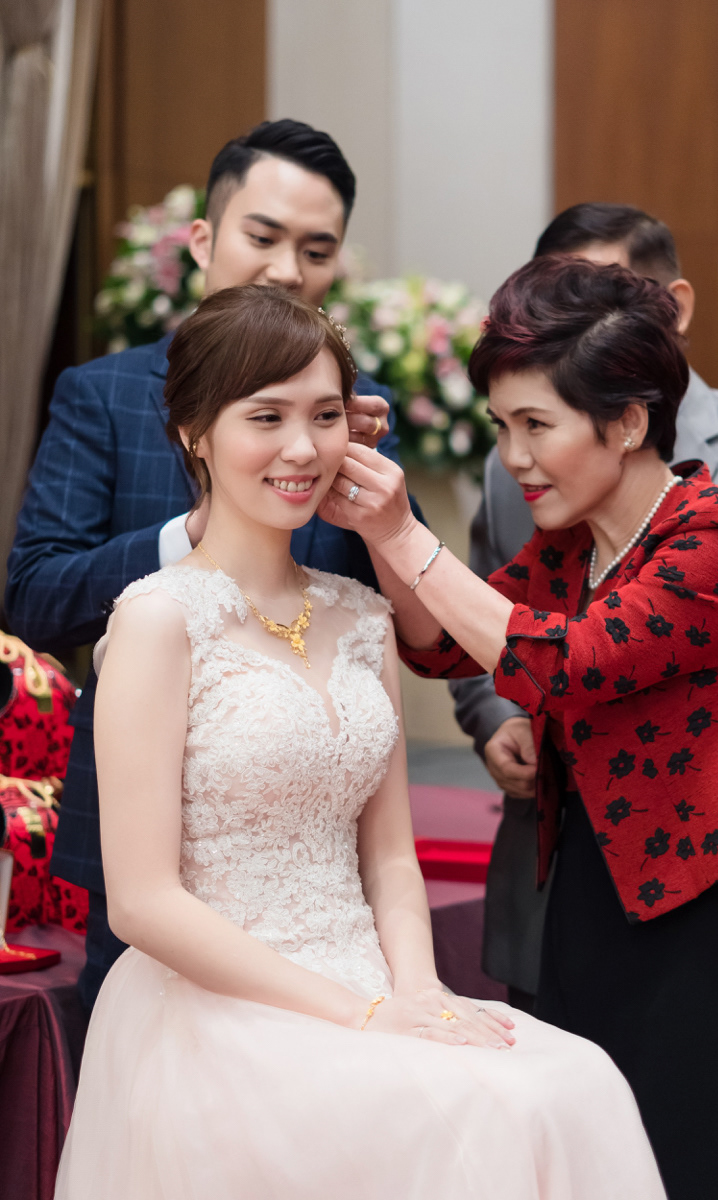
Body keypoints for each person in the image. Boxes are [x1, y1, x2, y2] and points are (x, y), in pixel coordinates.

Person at [54, 284, 665, 1200]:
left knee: (579, 1085)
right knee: (483, 1116)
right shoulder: (156, 620)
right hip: (218, 1005)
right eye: (267, 417)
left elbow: (389, 860)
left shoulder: (363, 614)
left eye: (326, 415)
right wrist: (360, 1015)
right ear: (193, 433)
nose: (304, 449)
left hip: (374, 978)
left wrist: (416, 992)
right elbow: (142, 904)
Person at [319, 255, 718, 1200]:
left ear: (629, 421)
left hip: (692, 923)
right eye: (502, 427)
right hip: (576, 904)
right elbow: (441, 646)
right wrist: (373, 525)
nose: (513, 456)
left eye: (536, 425)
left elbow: (564, 665)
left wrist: (407, 534)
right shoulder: (569, 546)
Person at [5, 118, 412, 1012]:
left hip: (320, 858)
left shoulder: (353, 415)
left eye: (316, 249)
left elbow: (411, 634)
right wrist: (201, 528)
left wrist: (385, 515)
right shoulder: (104, 393)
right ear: (203, 239)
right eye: (262, 236)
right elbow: (32, 597)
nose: (285, 269)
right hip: (148, 845)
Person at [451, 203, 718, 1012]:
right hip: (554, 868)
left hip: (702, 856)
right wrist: (494, 718)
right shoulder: (518, 469)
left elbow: (576, 658)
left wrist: (665, 689)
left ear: (671, 306)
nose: (518, 451)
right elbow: (474, 615)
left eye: (606, 297)